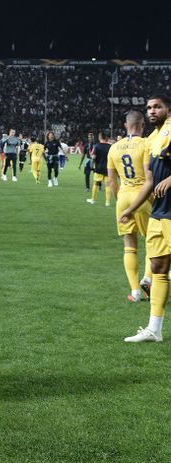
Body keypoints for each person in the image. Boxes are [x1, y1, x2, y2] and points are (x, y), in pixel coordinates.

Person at [120, 95, 171, 342]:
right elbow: (150, 180)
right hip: (159, 211)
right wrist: (131, 209)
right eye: (149, 107)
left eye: (157, 106)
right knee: (158, 268)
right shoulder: (151, 138)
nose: (151, 111)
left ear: (168, 108)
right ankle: (154, 329)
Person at [108, 111, 152, 302]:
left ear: (126, 126)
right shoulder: (145, 144)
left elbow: (112, 181)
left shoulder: (114, 148)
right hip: (143, 197)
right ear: (142, 125)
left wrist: (122, 202)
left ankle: (134, 291)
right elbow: (149, 175)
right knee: (153, 241)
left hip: (123, 197)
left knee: (129, 245)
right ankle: (148, 278)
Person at [88, 132, 112, 206]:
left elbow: (93, 157)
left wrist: (91, 155)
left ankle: (93, 200)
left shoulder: (97, 146)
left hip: (98, 168)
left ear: (100, 137)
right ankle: (107, 202)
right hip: (108, 169)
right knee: (108, 185)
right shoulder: (110, 146)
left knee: (96, 184)